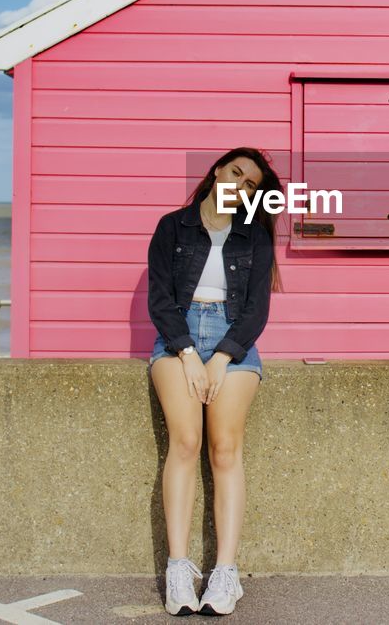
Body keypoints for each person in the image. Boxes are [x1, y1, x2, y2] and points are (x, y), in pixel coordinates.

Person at [147, 147, 284, 616]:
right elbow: (160, 300)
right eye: (236, 173)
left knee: (224, 447)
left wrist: (223, 356)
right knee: (185, 443)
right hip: (177, 337)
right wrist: (187, 353)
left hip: (234, 342)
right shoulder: (172, 227)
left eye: (251, 186)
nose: (240, 186)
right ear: (216, 172)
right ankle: (179, 567)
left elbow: (256, 312)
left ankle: (226, 571)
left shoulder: (254, 240)